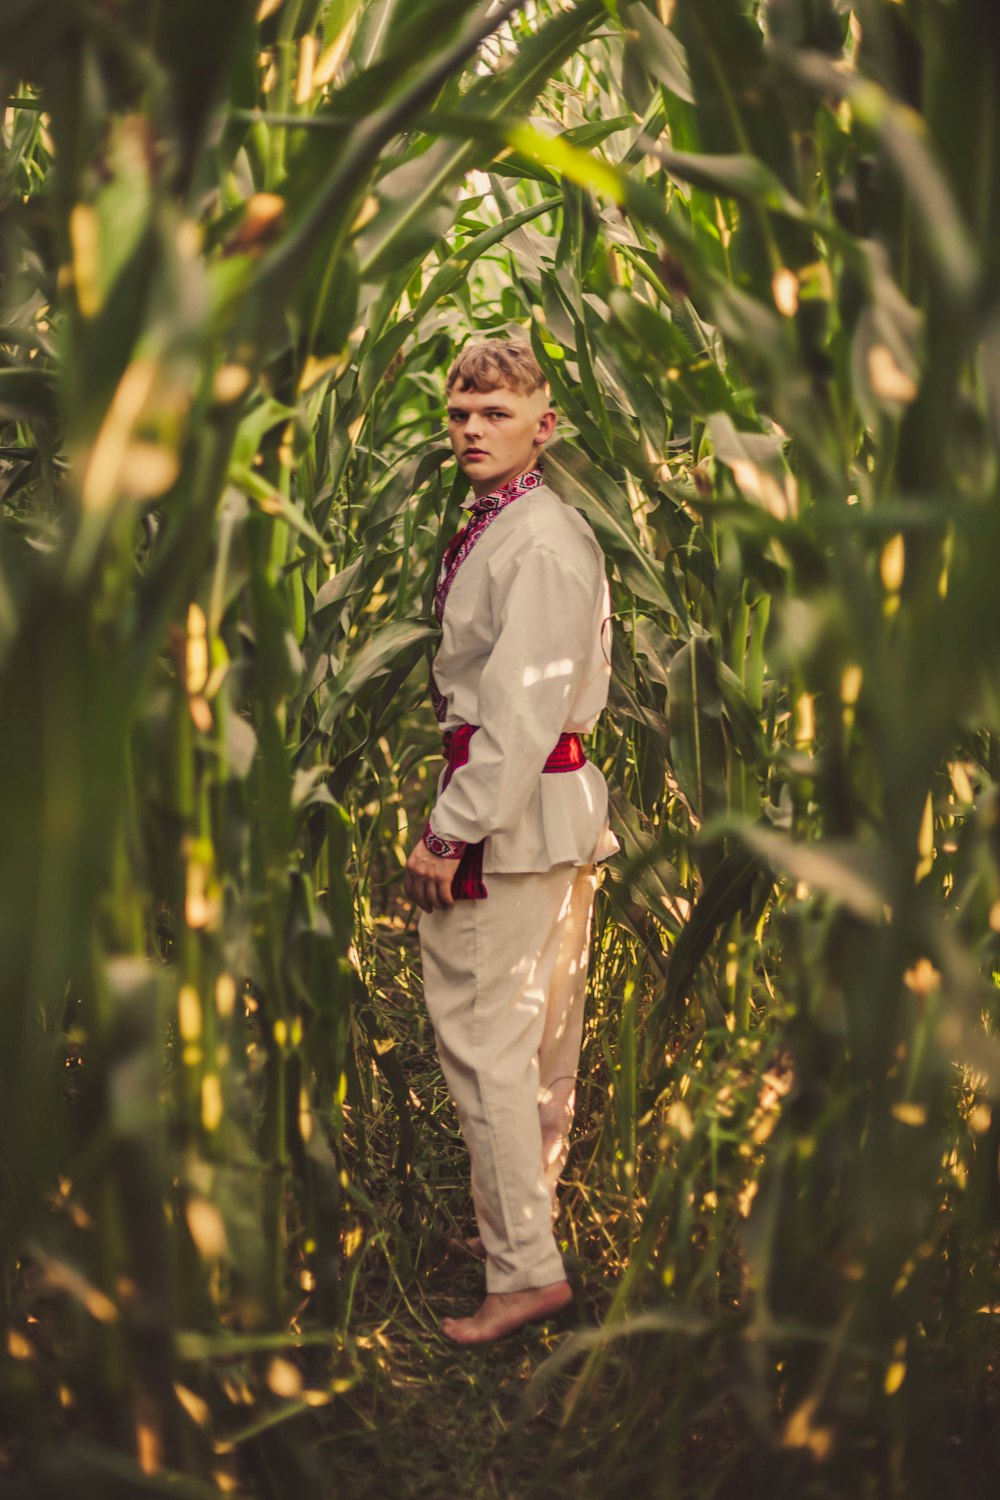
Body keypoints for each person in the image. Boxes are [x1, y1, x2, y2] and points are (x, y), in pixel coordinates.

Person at [404, 337, 617, 1345]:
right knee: (534, 1046)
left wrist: (451, 833)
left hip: (511, 814)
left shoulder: (535, 540)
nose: (471, 431)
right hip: (550, 814)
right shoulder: (530, 529)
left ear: (546, 423)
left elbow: (522, 707)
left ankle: (523, 1271)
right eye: (459, 413)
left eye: (494, 412)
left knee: (487, 1042)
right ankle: (517, 1237)